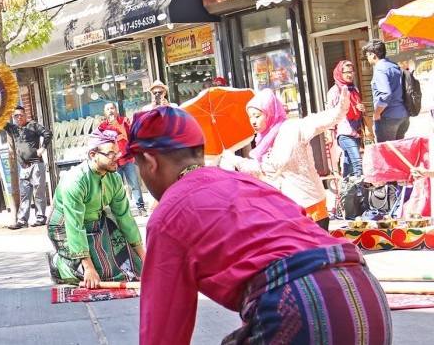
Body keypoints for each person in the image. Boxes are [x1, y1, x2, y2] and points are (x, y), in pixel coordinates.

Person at [128, 106, 393, 344]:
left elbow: (162, 332)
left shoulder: (169, 214)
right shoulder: (247, 182)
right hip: (365, 295)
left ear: (150, 163)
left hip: (303, 304)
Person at [221, 88, 350, 231]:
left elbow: (321, 121)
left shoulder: (293, 128)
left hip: (310, 206)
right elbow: (262, 169)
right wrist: (233, 159)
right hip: (283, 209)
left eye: (257, 116)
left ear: (269, 112)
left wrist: (341, 107)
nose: (253, 121)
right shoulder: (262, 142)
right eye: (250, 117)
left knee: (315, 251)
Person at [47, 129, 145, 287]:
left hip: (97, 223)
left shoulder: (115, 179)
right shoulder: (75, 181)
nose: (116, 158)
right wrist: (88, 267)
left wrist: (144, 258)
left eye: (118, 153)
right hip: (65, 226)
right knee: (95, 275)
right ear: (93, 154)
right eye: (111, 154)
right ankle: (58, 263)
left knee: (135, 269)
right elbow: (74, 225)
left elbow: (124, 217)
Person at [327, 60, 369, 216]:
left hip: (356, 132)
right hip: (344, 133)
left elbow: (357, 110)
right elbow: (330, 115)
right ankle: (363, 204)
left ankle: (348, 208)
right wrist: (329, 135)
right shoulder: (334, 92)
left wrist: (361, 108)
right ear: (340, 73)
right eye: (347, 72)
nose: (350, 75)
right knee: (358, 163)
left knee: (349, 171)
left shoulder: (354, 89)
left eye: (352, 72)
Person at [3, 106, 52, 229]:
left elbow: (48, 133)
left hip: (36, 165)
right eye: (16, 116)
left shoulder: (33, 125)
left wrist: (43, 147)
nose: (19, 117)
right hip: (24, 168)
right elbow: (1, 122)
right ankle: (22, 221)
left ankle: (40, 219)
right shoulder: (14, 129)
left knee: (39, 193)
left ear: (25, 115)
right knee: (25, 195)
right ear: (13, 118)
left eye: (21, 115)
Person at [99, 102, 147, 217]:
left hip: (127, 158)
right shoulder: (102, 126)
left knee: (134, 184)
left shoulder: (124, 121)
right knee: (117, 187)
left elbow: (131, 136)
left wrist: (119, 128)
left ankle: (140, 207)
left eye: (112, 108)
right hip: (113, 161)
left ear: (116, 110)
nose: (110, 111)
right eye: (108, 109)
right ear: (105, 112)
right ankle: (122, 211)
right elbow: (100, 142)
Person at [364, 39, 409, 142]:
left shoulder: (380, 68)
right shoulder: (393, 66)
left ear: (373, 55)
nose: (367, 58)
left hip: (388, 118)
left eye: (367, 56)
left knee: (386, 153)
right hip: (403, 115)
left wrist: (377, 113)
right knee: (398, 152)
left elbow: (385, 94)